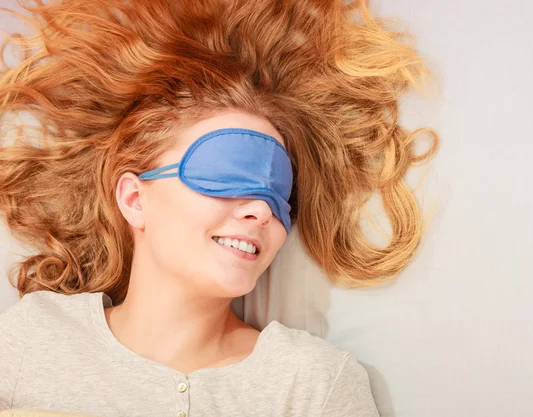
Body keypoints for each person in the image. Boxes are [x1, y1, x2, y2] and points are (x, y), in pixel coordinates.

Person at [0, 0, 438, 416]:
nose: (262, 213)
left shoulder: (311, 384)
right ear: (135, 199)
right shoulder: (28, 342)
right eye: (227, 177)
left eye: (278, 197)